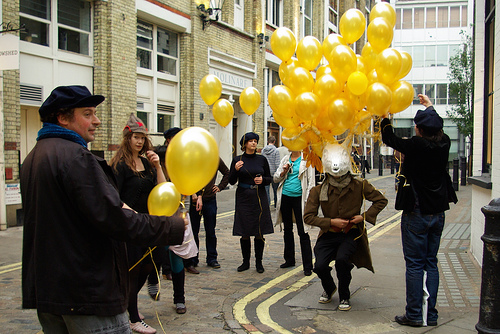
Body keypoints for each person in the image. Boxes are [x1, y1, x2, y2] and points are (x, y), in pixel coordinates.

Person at [20, 86, 186, 334]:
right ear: (62, 117)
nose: (96, 121)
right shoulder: (76, 157)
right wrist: (171, 225)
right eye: (87, 114)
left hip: (50, 292)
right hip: (86, 291)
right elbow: (114, 217)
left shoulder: (34, 156)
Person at [381, 94, 457, 327]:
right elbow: (438, 126)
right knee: (430, 263)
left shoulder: (416, 145)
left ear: (420, 130)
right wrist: (430, 107)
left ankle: (415, 314)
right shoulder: (445, 143)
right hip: (438, 213)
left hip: (416, 212)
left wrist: (384, 117)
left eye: (416, 126)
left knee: (414, 264)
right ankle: (430, 315)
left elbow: (389, 137)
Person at [304, 143, 387, 311]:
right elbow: (308, 217)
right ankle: (329, 288)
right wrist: (330, 222)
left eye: (340, 176)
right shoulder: (318, 190)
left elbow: (381, 200)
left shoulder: (359, 185)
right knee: (319, 266)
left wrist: (363, 217)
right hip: (329, 234)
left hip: (351, 234)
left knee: (342, 261)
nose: (337, 179)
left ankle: (344, 295)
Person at [110, 113, 165, 333]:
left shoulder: (146, 163)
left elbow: (162, 190)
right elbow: (114, 196)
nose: (140, 141)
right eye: (136, 137)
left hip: (147, 223)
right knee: (132, 270)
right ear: (127, 138)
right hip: (129, 225)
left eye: (143, 137)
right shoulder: (120, 165)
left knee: (151, 264)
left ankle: (127, 303)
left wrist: (158, 166)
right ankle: (133, 318)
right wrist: (129, 212)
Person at [155, 127, 189, 314]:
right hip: (157, 217)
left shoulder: (182, 163)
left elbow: (187, 190)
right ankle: (153, 279)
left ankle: (180, 299)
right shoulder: (156, 165)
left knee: (176, 258)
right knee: (155, 255)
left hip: (175, 216)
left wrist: (186, 215)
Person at [229, 132, 274, 273]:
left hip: (259, 196)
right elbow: (231, 181)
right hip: (243, 198)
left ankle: (259, 263)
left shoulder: (262, 159)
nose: (254, 143)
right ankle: (245, 262)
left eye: (255, 141)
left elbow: (269, 178)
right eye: (250, 141)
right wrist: (235, 170)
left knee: (259, 230)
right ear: (245, 144)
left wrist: (263, 181)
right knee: (245, 230)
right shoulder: (237, 159)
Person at [273, 150, 315, 276]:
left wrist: (308, 202)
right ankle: (289, 259)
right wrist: (283, 171)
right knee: (287, 229)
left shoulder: (307, 159)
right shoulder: (286, 159)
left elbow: (311, 183)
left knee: (303, 231)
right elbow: (275, 178)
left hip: (300, 199)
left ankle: (308, 265)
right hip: (285, 196)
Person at [186, 157, 230, 269]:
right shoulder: (194, 157)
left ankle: (212, 258)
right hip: (194, 200)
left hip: (210, 199)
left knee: (210, 231)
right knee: (194, 231)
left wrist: (220, 187)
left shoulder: (215, 158)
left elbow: (227, 173)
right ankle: (193, 259)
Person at [261, 136, 281, 208]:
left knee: (266, 191)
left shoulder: (263, 150)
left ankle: (267, 205)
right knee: (276, 190)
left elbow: (262, 162)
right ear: (274, 141)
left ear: (267, 141)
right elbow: (277, 163)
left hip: (265, 173)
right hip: (273, 173)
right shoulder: (276, 150)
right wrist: (277, 173)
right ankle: (276, 205)